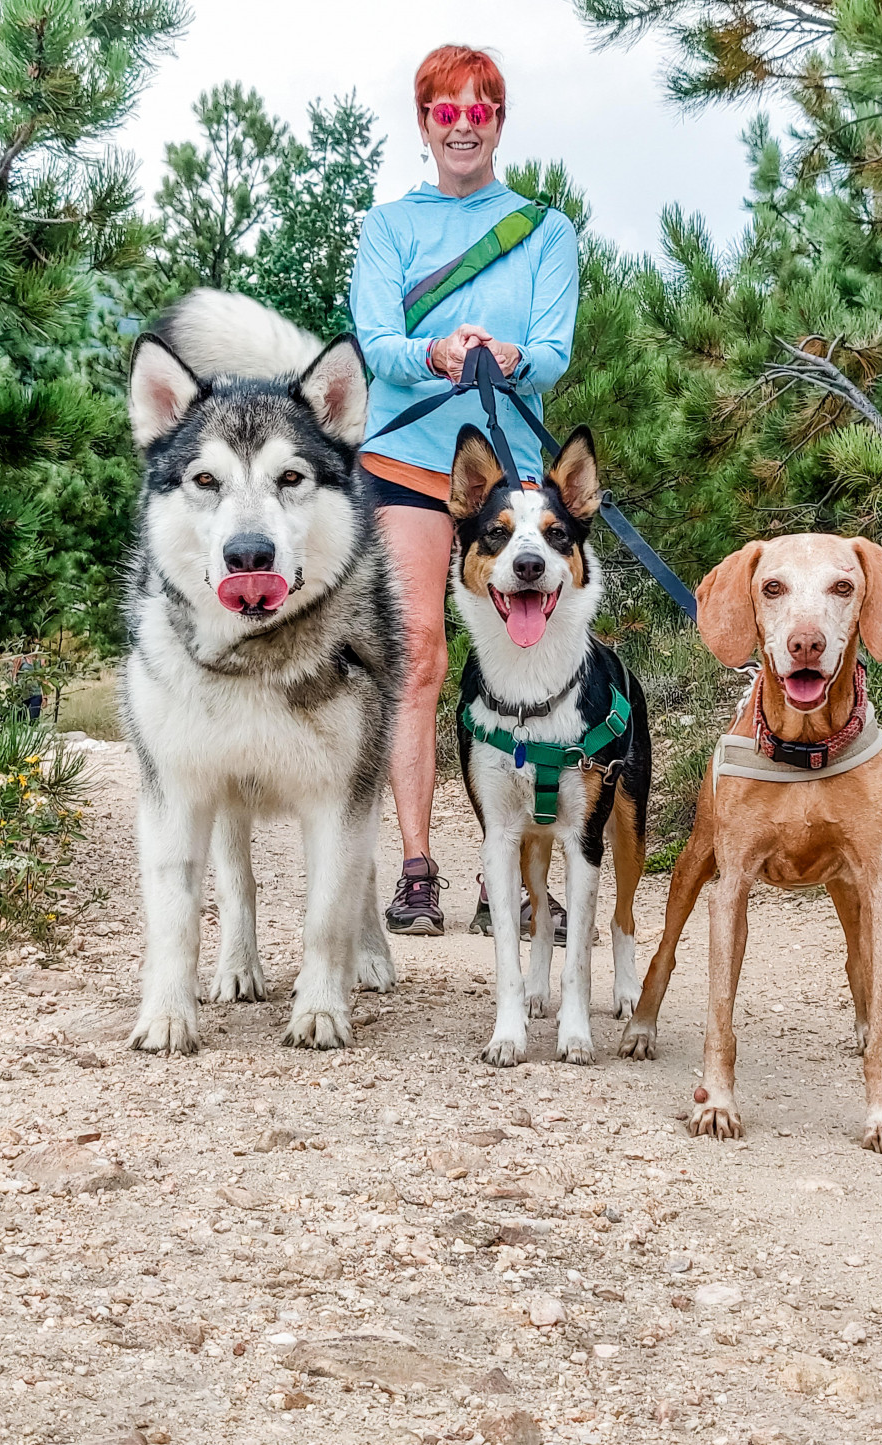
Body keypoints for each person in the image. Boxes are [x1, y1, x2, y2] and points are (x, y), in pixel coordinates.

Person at [351, 44, 579, 936]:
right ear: (423, 124)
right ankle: (416, 869)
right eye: (445, 111)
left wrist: (516, 357)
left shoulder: (545, 230)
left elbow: (555, 352)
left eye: (479, 109)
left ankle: (512, 876)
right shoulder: (389, 228)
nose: (463, 125)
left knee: (519, 660)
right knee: (417, 653)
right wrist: (437, 351)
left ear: (499, 122)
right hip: (408, 461)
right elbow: (376, 343)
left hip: (510, 470)